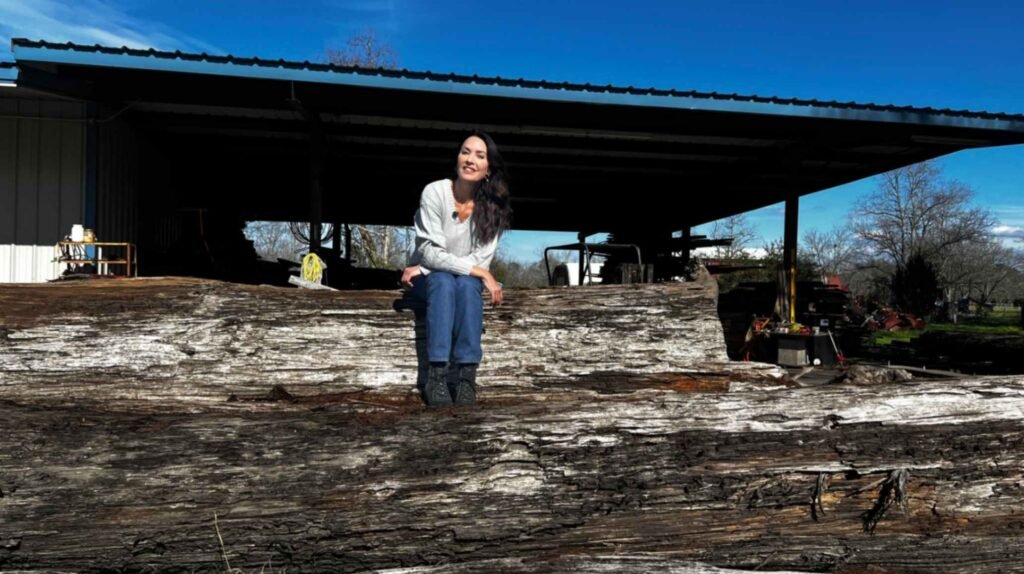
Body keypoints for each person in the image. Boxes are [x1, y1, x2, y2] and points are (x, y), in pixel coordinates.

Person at [401, 130, 512, 407]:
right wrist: (428, 269)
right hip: (431, 283)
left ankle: (465, 378)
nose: (470, 159)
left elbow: (479, 262)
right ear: (457, 158)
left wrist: (475, 271)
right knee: (443, 280)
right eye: (465, 151)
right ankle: (436, 376)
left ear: (488, 169)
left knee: (463, 284)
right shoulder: (435, 192)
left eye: (479, 155)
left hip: (459, 282)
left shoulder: (493, 210)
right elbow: (429, 252)